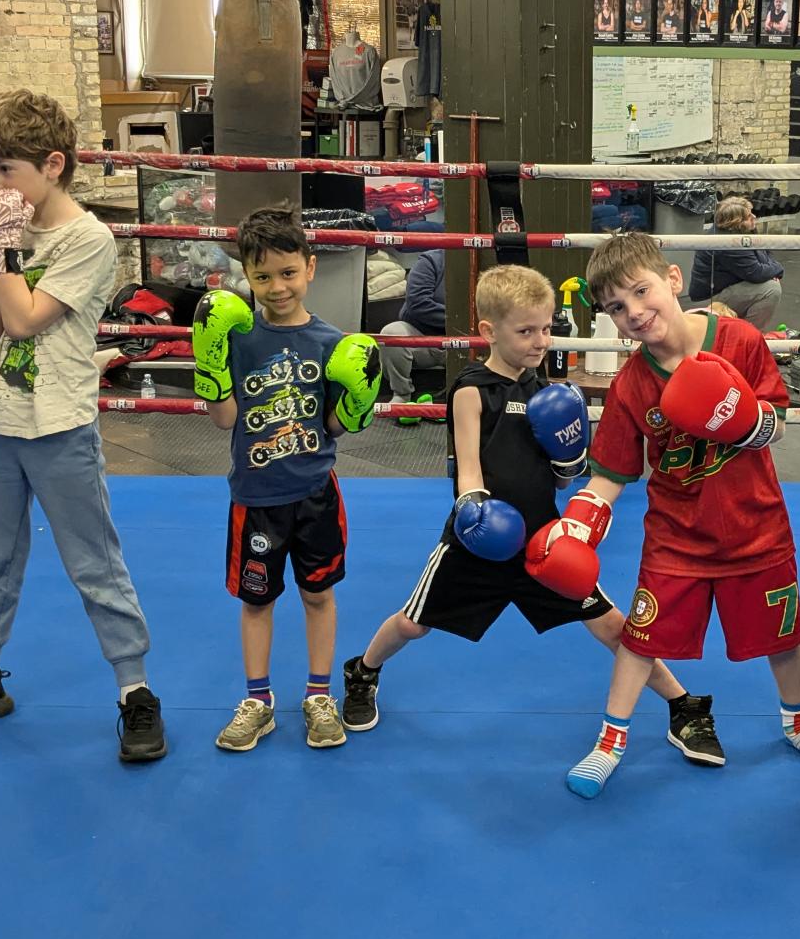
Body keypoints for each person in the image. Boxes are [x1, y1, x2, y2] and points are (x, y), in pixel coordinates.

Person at [0, 90, 166, 763]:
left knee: (93, 564)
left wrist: (5, 245)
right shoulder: (6, 231)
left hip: (58, 426)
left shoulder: (87, 238)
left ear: (52, 165)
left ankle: (135, 692)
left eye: (6, 171)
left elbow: (23, 320)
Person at [342, 265, 702, 733]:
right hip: (476, 541)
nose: (541, 341)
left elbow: (558, 483)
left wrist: (570, 459)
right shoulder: (471, 390)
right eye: (526, 331)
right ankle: (363, 671)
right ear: (490, 331)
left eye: (546, 328)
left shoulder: (546, 392)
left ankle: (682, 702)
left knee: (610, 624)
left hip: (542, 543)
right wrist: (477, 512)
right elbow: (467, 471)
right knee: (412, 624)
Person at [561, 232, 800, 797]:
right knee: (642, 637)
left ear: (672, 279)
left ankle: (799, 723)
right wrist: (575, 527)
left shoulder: (738, 340)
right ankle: (611, 740)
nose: (635, 313)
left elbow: (781, 421)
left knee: (784, 635)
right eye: (617, 308)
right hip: (676, 537)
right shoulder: (630, 384)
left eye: (641, 292)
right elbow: (612, 473)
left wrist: (742, 420)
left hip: (755, 526)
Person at [194, 206, 383, 752]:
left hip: (315, 492)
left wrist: (353, 408)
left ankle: (319, 694)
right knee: (256, 601)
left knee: (318, 594)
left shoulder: (329, 342)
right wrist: (209, 365)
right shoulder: (237, 337)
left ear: (310, 268)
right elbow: (226, 419)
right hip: (255, 497)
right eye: (262, 276)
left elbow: (330, 428)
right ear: (246, 277)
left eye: (287, 273)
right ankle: (258, 700)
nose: (277, 287)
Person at [687, 197, 785, 328]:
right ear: (738, 221)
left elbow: (765, 256)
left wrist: (772, 272)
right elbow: (756, 273)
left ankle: (742, 333)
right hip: (710, 299)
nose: (754, 216)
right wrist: (778, 269)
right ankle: (748, 337)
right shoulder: (727, 243)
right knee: (771, 289)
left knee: (769, 282)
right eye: (749, 216)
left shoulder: (742, 231)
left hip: (729, 288)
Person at [379, 248, 446, 415]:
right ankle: (402, 394)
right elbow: (418, 304)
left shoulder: (482, 263)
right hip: (422, 336)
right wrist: (458, 318)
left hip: (464, 338)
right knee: (391, 333)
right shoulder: (431, 260)